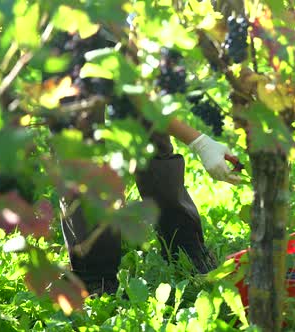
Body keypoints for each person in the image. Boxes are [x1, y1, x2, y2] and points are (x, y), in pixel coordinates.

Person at [52, 29, 242, 294]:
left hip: (121, 25)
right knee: (78, 145)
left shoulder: (148, 22)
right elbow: (141, 96)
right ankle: (95, 278)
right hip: (64, 24)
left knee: (150, 134)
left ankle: (185, 249)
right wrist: (198, 141)